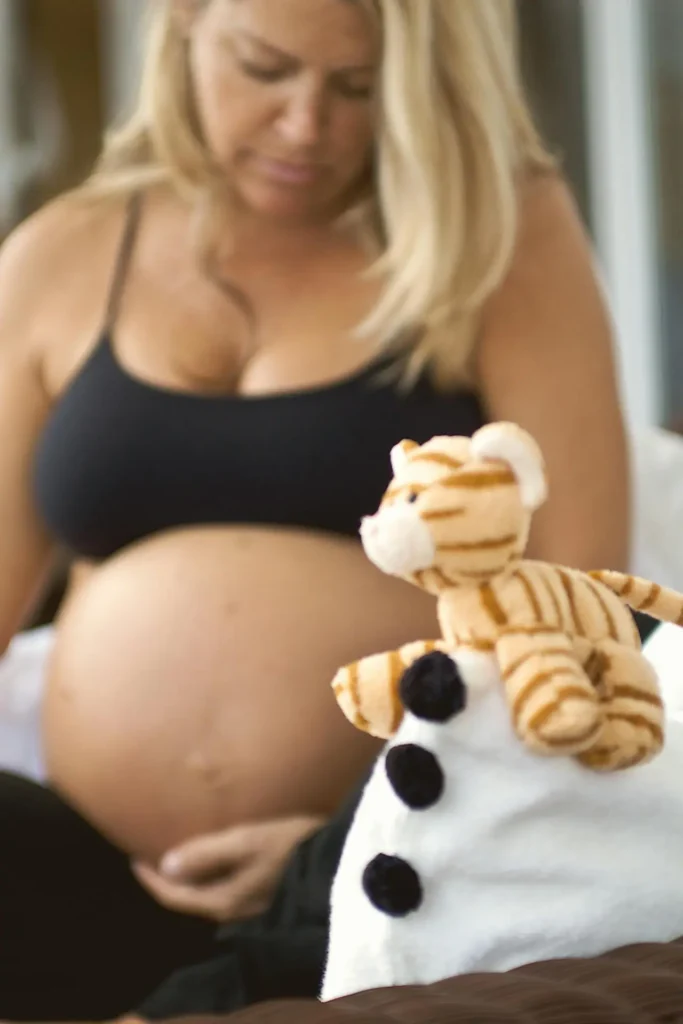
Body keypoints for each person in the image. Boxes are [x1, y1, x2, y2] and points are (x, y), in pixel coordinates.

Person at [0, 0, 629, 1018]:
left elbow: (581, 611)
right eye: (263, 68)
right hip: (97, 867)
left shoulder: (497, 234)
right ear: (184, 24)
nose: (304, 126)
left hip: (393, 854)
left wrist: (352, 833)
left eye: (356, 87)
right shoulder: (57, 256)